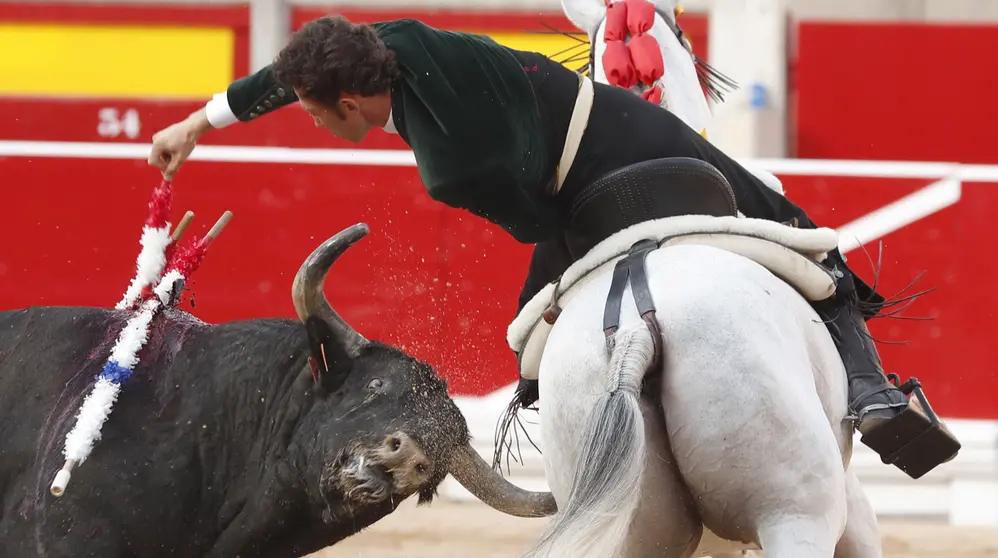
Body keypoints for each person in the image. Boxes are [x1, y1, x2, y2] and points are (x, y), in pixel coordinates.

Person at [148, 15, 959, 478]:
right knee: (798, 234)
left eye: (314, 110)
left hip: (585, 181)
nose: (310, 118)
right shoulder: (390, 41)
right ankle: (873, 393)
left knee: (532, 343)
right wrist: (197, 124)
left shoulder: (447, 167)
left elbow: (542, 221)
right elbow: (282, 79)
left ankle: (566, 433)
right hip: (626, 123)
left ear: (353, 101)